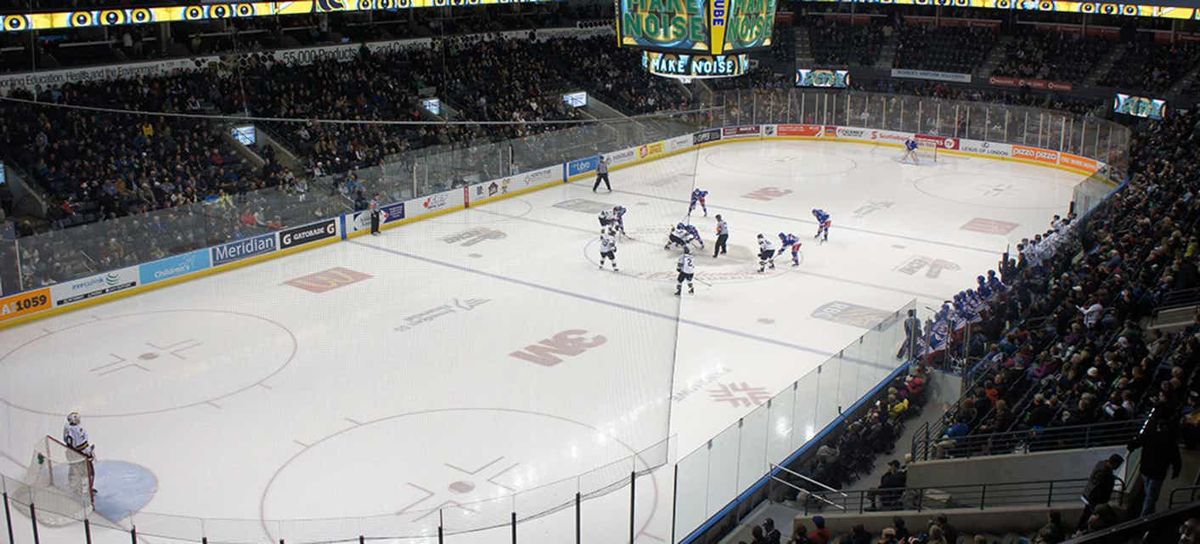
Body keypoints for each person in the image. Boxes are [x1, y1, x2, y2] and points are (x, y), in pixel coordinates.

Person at [1127, 405, 1183, 516]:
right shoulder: (1169, 437)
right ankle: (1145, 516)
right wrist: (1176, 469)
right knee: (1151, 496)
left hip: (1147, 467)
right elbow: (1175, 455)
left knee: (1149, 494)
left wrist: (1131, 445)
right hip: (1157, 471)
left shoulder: (1150, 431)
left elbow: (1139, 441)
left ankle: (1145, 516)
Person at [1077, 454, 1123, 532]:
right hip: (1094, 498)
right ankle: (1082, 529)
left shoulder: (1101, 464)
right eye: (1118, 465)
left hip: (1089, 495)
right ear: (1115, 463)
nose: (1118, 467)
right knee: (1090, 515)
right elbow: (1101, 487)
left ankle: (1080, 529)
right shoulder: (1106, 473)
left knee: (1086, 514)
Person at [62, 411, 95, 499]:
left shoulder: (67, 428)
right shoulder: (79, 430)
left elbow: (66, 441)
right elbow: (81, 445)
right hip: (79, 454)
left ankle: (75, 488)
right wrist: (89, 453)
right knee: (87, 472)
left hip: (70, 453)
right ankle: (85, 492)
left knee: (74, 471)